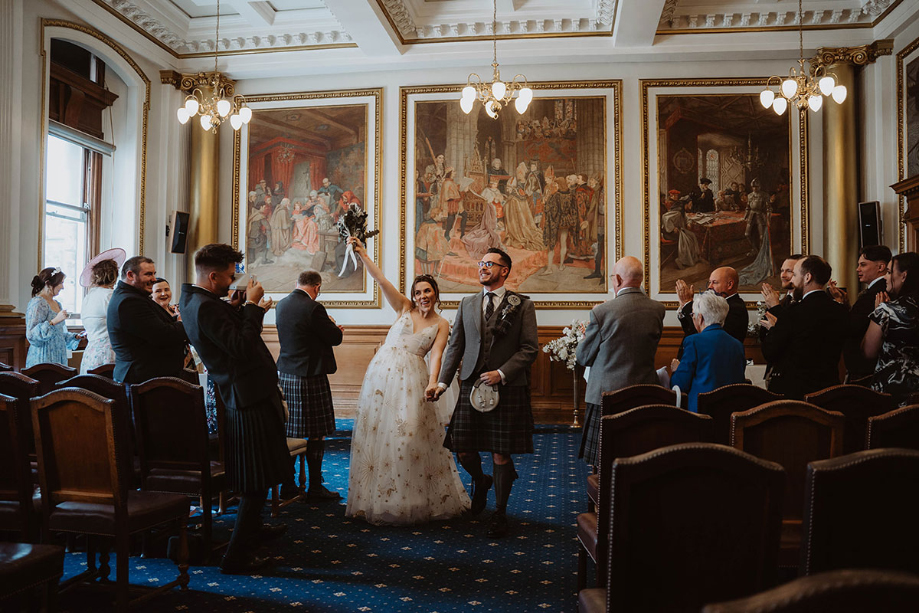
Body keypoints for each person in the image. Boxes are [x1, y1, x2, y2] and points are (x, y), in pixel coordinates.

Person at [179, 244, 289, 574]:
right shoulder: (204, 306)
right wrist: (253, 307)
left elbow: (228, 337)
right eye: (229, 276)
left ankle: (252, 533)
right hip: (246, 396)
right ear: (212, 276)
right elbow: (240, 347)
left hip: (245, 393)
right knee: (256, 479)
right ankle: (237, 556)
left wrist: (241, 309)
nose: (234, 281)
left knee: (262, 472)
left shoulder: (198, 300)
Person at [346, 238, 470, 524]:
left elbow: (437, 355)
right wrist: (363, 253)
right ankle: (378, 498)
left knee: (409, 436)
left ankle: (414, 498)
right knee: (379, 435)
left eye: (427, 291)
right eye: (418, 292)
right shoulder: (403, 308)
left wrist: (434, 382)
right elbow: (380, 279)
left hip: (412, 380)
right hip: (381, 375)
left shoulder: (441, 323)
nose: (422, 296)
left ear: (435, 294)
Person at [428, 248, 538, 538]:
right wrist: (441, 382)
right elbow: (455, 348)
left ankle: (500, 513)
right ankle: (481, 479)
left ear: (505, 271)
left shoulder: (523, 305)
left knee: (500, 453)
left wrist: (501, 373)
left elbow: (529, 349)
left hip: (507, 387)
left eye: (490, 264)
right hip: (470, 385)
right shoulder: (467, 303)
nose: (483, 267)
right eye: (481, 263)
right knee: (462, 447)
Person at [576, 256, 665, 466]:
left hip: (607, 396)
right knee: (637, 451)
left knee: (603, 459)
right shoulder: (658, 309)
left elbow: (583, 356)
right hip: (644, 392)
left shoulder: (602, 311)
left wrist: (584, 339)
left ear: (617, 279)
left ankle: (603, 498)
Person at [276, 270, 343, 502]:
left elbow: (301, 335)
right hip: (310, 376)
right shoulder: (315, 308)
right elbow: (334, 338)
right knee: (316, 434)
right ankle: (315, 488)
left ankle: (287, 485)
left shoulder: (281, 305)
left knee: (289, 431)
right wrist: (334, 327)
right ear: (316, 287)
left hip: (285, 374)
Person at [759, 255, 849, 399]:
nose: (792, 280)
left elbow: (770, 352)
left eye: (794, 275)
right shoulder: (841, 311)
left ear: (807, 277)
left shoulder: (793, 312)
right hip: (828, 393)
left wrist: (774, 328)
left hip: (794, 394)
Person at [107, 256, 187, 384]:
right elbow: (162, 335)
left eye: (154, 274)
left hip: (150, 377)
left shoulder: (135, 297)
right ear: (130, 275)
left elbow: (153, 325)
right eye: (148, 274)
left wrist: (175, 320)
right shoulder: (129, 301)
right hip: (143, 381)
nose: (154, 279)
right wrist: (183, 323)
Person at [669, 292, 746, 412]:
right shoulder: (737, 345)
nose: (693, 318)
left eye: (693, 315)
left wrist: (677, 370)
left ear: (700, 318)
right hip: (731, 413)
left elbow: (680, 384)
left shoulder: (694, 341)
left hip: (701, 414)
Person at [827, 245, 892, 382]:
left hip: (866, 371)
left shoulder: (875, 294)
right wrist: (845, 304)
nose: (858, 269)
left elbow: (851, 326)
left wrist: (839, 303)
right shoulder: (875, 291)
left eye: (863, 265)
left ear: (880, 267)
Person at [862, 252, 919, 405]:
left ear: (904, 276)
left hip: (892, 393)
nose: (886, 278)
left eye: (889, 272)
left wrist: (877, 312)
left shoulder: (887, 311)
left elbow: (868, 351)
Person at [676, 267, 748, 347]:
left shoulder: (735, 307)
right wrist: (684, 306)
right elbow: (690, 330)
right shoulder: (717, 303)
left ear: (729, 285)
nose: (710, 287)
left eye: (715, 282)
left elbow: (708, 337)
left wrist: (687, 304)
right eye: (709, 282)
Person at [78, 249, 125, 374]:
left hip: (91, 352)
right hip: (108, 352)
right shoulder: (110, 296)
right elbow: (123, 322)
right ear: (114, 276)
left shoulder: (88, 297)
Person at [759, 254, 803, 386]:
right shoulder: (782, 301)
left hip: (795, 377)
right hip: (776, 372)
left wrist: (775, 307)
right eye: (782, 270)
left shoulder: (805, 303)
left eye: (789, 271)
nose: (783, 275)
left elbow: (788, 335)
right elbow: (764, 337)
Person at [25, 267, 82, 367]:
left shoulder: (57, 304)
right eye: (61, 283)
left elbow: (58, 334)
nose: (62, 287)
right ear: (48, 284)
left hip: (59, 355)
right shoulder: (38, 303)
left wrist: (75, 337)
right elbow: (31, 335)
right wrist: (54, 321)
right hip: (43, 355)